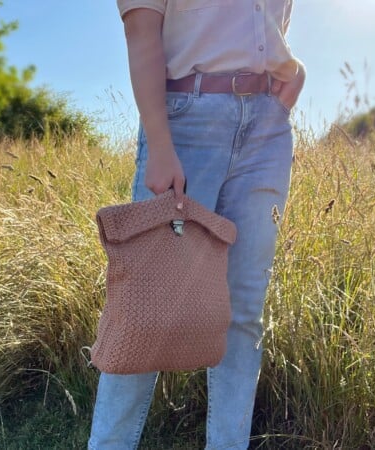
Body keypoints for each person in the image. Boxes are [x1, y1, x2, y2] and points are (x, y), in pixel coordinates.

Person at [89, 1, 306, 449]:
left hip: (267, 131)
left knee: (244, 312)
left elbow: (268, 31)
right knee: (145, 308)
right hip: (187, 121)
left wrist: (292, 78)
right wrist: (161, 142)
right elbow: (142, 29)